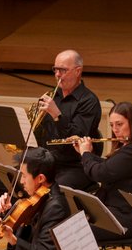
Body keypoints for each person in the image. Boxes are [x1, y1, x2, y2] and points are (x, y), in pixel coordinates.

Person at [74, 101, 132, 240]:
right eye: (112, 125)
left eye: (119, 124)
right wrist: (87, 154)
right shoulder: (126, 148)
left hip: (127, 218)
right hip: (113, 211)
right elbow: (109, 166)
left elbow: (101, 173)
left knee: (73, 232)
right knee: (67, 224)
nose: (115, 129)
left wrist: (86, 154)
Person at [32, 50, 102, 190]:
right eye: (55, 69)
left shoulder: (89, 101)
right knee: (1, 182)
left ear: (78, 71)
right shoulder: (52, 96)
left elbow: (77, 137)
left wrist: (57, 115)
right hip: (47, 162)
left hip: (74, 166)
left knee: (52, 190)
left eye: (62, 70)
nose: (57, 74)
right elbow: (39, 132)